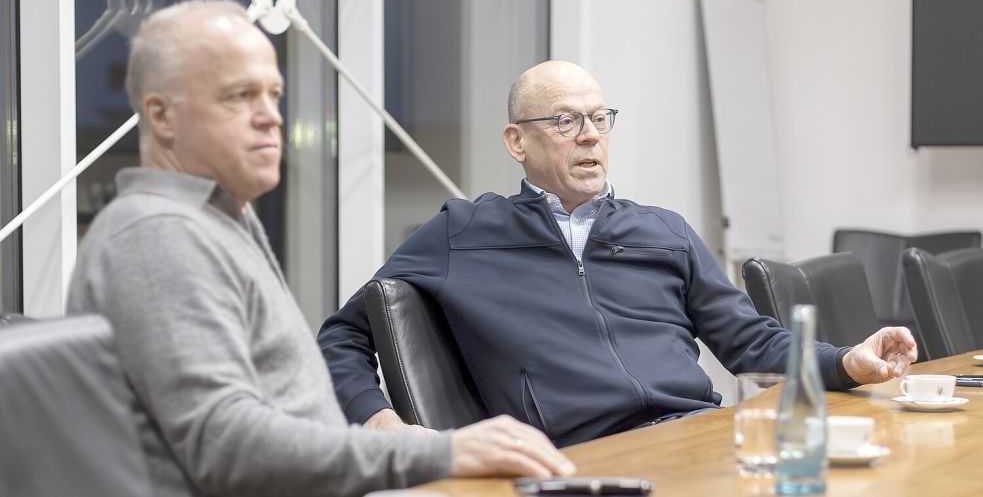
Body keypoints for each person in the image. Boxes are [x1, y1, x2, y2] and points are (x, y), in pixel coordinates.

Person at [67, 0, 574, 497]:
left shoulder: (217, 220)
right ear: (161, 116)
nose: (271, 117)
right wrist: (442, 453)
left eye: (273, 94)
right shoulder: (157, 234)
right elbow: (230, 450)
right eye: (239, 96)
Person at [318, 60, 918, 447]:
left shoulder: (664, 230)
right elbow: (342, 334)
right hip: (589, 457)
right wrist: (380, 422)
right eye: (565, 120)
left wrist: (847, 363)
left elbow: (751, 343)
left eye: (600, 118)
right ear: (516, 141)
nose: (589, 135)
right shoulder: (464, 230)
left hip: (697, 435)